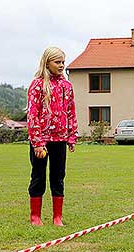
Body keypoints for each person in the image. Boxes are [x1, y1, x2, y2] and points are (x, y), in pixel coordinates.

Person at [27, 46, 78, 226]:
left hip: (60, 139)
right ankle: (36, 217)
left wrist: (72, 136)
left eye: (63, 62)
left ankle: (57, 217)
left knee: (58, 176)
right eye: (58, 62)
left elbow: (71, 112)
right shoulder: (37, 85)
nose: (61, 65)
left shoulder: (67, 86)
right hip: (41, 141)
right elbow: (32, 114)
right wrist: (37, 143)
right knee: (38, 176)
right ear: (47, 63)